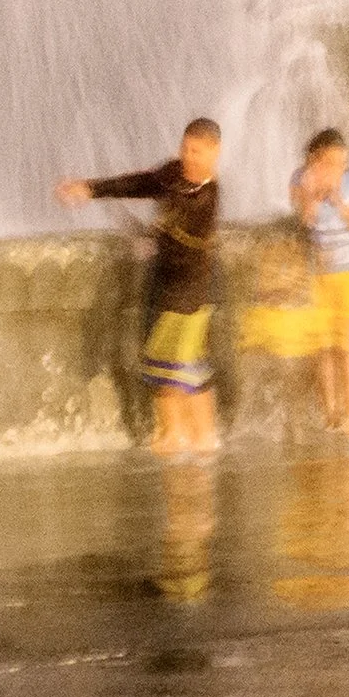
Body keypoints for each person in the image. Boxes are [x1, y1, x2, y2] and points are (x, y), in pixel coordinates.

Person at [58, 119, 223, 456]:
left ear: (214, 153)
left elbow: (183, 221)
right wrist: (91, 189)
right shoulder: (174, 175)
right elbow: (139, 183)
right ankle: (202, 438)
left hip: (189, 292)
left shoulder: (208, 195)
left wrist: (154, 236)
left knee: (168, 367)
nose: (188, 157)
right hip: (168, 287)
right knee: (187, 363)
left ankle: (177, 435)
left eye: (197, 151)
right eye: (185, 148)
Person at [291, 128, 349, 438]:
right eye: (332, 162)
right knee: (323, 346)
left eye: (342, 162)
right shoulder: (300, 179)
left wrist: (337, 197)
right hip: (319, 275)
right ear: (314, 159)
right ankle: (331, 413)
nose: (339, 168)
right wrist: (312, 195)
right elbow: (305, 219)